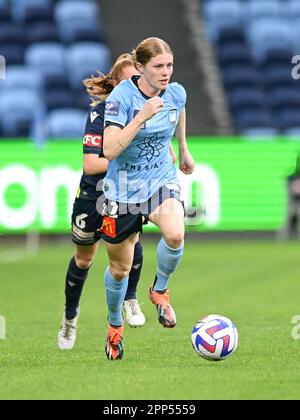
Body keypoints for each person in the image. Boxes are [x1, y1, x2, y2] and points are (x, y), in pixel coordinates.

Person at [101, 37, 195, 360]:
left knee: (176, 233)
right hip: (123, 189)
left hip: (159, 180)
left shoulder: (176, 92)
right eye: (158, 66)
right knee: (119, 269)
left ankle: (159, 290)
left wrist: (183, 148)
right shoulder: (121, 98)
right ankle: (115, 327)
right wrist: (140, 116)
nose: (166, 72)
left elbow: (178, 110)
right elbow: (110, 149)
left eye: (169, 65)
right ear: (140, 68)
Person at [58, 54, 148, 350]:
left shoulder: (143, 113)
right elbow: (90, 164)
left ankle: (131, 299)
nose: (132, 86)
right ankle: (70, 317)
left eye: (136, 79)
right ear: (114, 85)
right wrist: (123, 156)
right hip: (93, 195)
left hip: (124, 193)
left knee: (131, 241)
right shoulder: (101, 114)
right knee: (84, 258)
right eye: (126, 81)